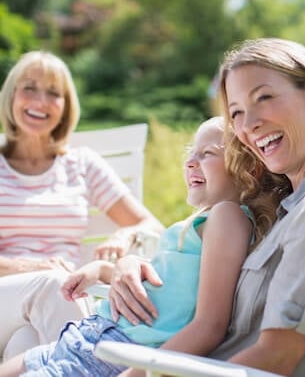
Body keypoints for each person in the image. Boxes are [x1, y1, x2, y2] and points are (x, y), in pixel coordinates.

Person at [107, 38, 305, 377]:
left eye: (264, 97)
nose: (248, 124)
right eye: (236, 112)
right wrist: (133, 264)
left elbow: (278, 357)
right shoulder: (289, 206)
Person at [0, 116, 277, 377]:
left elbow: (209, 326)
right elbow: (162, 285)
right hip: (89, 336)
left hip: (115, 350)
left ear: (248, 168)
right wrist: (103, 270)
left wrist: (140, 372)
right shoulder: (209, 221)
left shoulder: (228, 217)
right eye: (191, 152)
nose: (191, 162)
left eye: (208, 154)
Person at [0, 50, 164, 360]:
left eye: (53, 93)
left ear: (65, 107)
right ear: (11, 95)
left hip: (58, 303)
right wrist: (31, 267)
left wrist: (122, 235)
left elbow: (151, 225)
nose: (40, 101)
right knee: (52, 284)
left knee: (26, 346)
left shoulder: (81, 163)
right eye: (30, 88)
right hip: (9, 295)